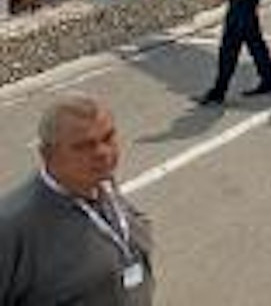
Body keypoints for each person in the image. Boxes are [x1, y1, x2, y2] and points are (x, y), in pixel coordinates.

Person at [0, 95, 155, 304]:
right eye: (83, 146)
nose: (103, 152)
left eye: (108, 137)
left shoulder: (100, 182)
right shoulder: (12, 226)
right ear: (48, 154)